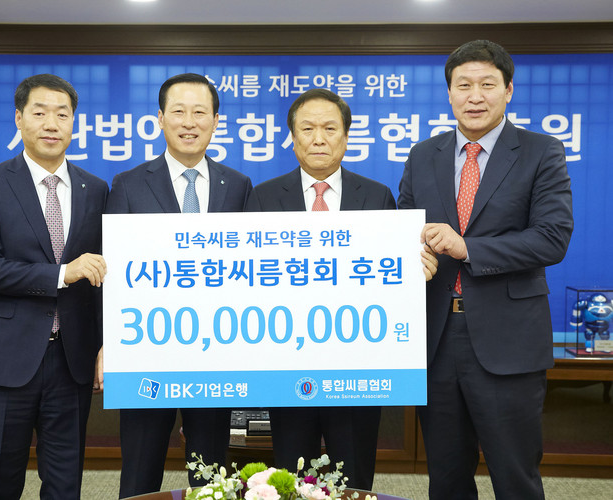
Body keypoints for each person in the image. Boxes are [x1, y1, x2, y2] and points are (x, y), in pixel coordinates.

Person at [398, 40, 574, 499]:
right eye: (463, 86)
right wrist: (410, 255)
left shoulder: (541, 151)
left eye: (487, 85)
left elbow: (552, 238)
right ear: (449, 93)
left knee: (514, 478)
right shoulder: (423, 154)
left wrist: (467, 248)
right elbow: (404, 229)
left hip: (508, 340)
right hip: (436, 340)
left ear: (508, 90)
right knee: (446, 479)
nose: (475, 96)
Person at [246, 88, 437, 490]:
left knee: (354, 477)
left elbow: (391, 276)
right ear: (292, 138)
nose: (319, 138)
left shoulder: (377, 196)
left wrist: (415, 268)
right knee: (290, 477)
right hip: (286, 361)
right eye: (308, 129)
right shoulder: (262, 197)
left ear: (347, 137)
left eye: (330, 129)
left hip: (356, 365)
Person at [100, 73, 253, 498]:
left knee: (211, 472)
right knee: (140, 470)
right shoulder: (128, 184)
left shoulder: (238, 186)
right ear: (160, 119)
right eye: (179, 112)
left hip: (215, 351)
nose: (189, 122)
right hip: (145, 349)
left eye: (200, 112)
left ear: (216, 121)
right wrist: (108, 341)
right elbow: (111, 270)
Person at [0, 74, 108, 499]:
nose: (51, 124)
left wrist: (106, 343)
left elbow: (104, 276)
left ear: (74, 123)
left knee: (65, 484)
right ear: (19, 119)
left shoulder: (96, 189)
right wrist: (62, 274)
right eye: (40, 113)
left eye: (62, 114)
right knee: (0, 483)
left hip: (71, 362)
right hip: (6, 360)